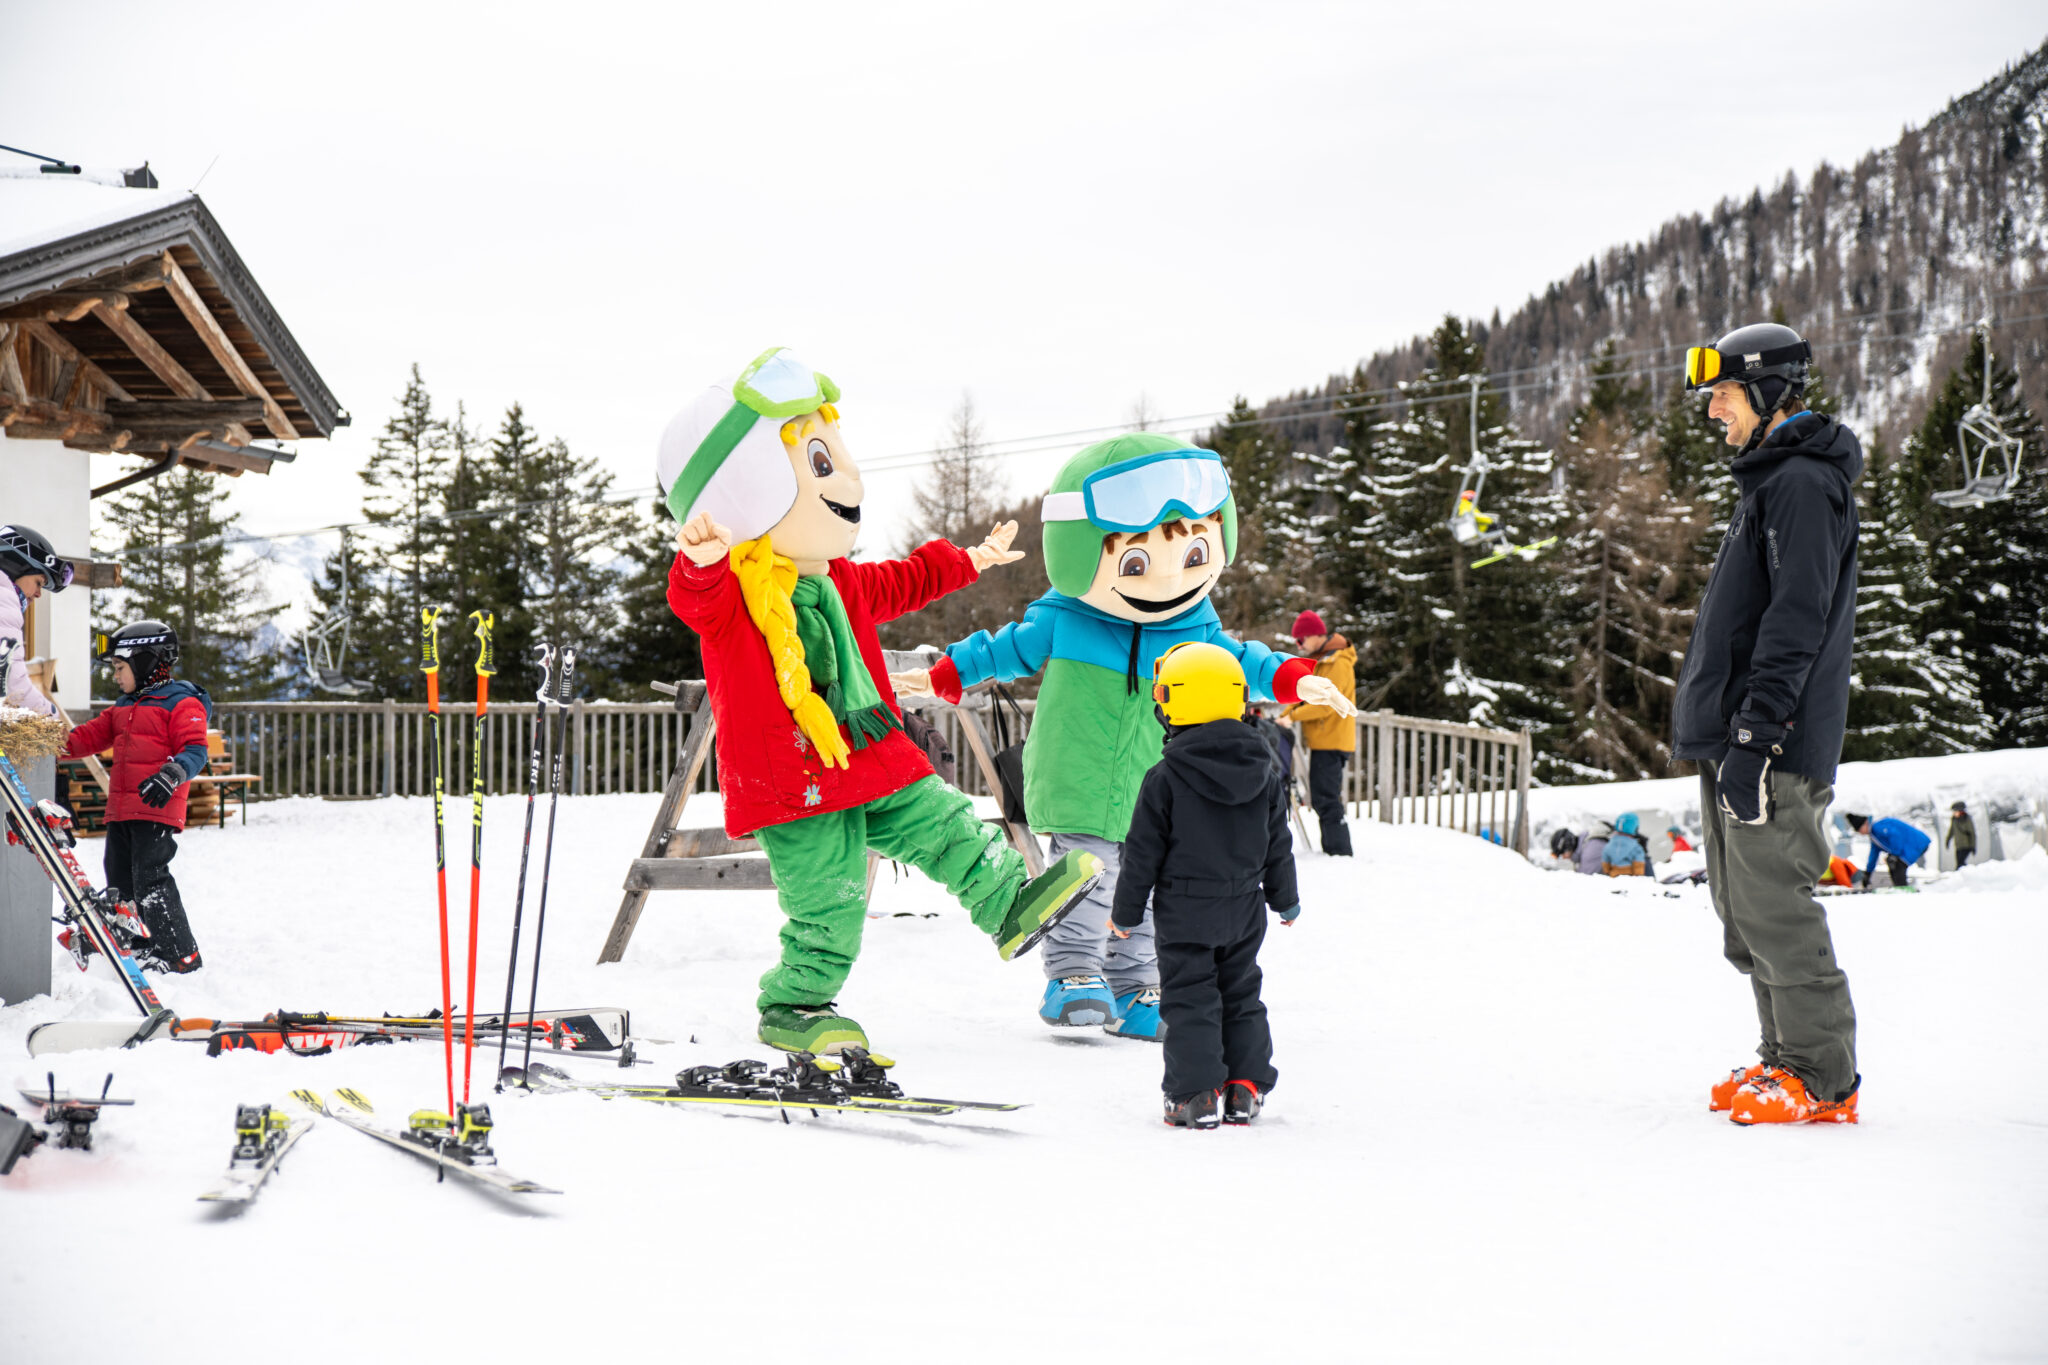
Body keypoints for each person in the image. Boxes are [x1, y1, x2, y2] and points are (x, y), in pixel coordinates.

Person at [657, 349, 1104, 1054]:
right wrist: (702, 560)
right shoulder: (738, 597)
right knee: (830, 906)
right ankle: (796, 1002)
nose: (850, 476)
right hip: (795, 782)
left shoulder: (840, 582)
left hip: (870, 756)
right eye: (821, 463)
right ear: (749, 488)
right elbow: (694, 601)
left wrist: (969, 560)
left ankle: (1009, 903)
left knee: (949, 822)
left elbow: (902, 581)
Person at [895, 434, 1349, 1042]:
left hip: (1154, 783)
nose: (1164, 579)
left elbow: (1246, 662)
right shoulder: (1067, 617)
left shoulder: (1197, 629)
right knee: (1086, 874)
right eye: (1135, 564)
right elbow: (1003, 650)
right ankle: (1074, 975)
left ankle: (1136, 985)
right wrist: (942, 674)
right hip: (1077, 772)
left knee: (1148, 882)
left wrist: (1298, 679)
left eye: (1191, 555)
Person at [1672, 321, 1863, 1126]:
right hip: (1740, 742)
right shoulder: (1771, 482)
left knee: (1776, 908)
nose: (1714, 412)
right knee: (1743, 913)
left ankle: (1822, 1077)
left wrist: (1755, 737)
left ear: (1764, 389)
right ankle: (1783, 1058)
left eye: (1720, 395)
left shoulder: (1799, 487)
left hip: (1772, 744)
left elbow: (1795, 623)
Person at [1109, 642, 1298, 1129]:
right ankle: (1245, 1088)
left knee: (1191, 996)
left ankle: (1195, 1095)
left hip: (1185, 911)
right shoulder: (1265, 772)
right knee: (1240, 992)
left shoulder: (1165, 776)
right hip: (1244, 908)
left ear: (1176, 703)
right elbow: (1278, 843)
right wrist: (1286, 898)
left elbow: (1142, 853)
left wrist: (1126, 913)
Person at [59, 621, 209, 972]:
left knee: (150, 878)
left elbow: (196, 749)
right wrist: (42, 743)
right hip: (123, 809)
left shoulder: (182, 702)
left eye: (120, 668)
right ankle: (141, 941)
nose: (116, 676)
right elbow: (84, 738)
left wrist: (172, 774)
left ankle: (180, 954)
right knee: (119, 878)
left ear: (144, 662)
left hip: (156, 807)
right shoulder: (124, 706)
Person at [1277, 611, 1358, 857]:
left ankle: (1339, 852)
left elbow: (1325, 704)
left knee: (1326, 797)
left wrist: (1292, 717)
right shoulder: (1322, 659)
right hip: (1323, 740)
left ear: (1314, 635)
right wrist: (1288, 710)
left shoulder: (1338, 662)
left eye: (1300, 640)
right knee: (1323, 794)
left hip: (1332, 740)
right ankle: (1334, 849)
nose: (1299, 646)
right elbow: (1305, 695)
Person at [0, 525, 68, 718]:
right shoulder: (4, 598)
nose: (38, 594)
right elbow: (11, 683)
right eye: (39, 582)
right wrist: (51, 716)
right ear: (15, 566)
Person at [1842, 813, 1929, 890]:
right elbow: (1873, 855)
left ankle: (1902, 888)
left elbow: (1895, 836)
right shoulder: (1874, 835)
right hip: (1912, 846)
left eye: (1859, 830)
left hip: (1917, 843)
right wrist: (1868, 874)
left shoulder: (1878, 826)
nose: (1860, 833)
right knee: (1893, 862)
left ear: (1865, 824)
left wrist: (1894, 854)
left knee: (1897, 863)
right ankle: (1900, 887)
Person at [1600, 812, 1649, 877]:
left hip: (1614, 877)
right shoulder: (1637, 848)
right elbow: (1639, 867)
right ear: (1635, 828)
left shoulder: (1608, 845)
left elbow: (1606, 866)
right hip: (1630, 879)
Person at [1944, 801, 1976, 868]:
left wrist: (1973, 846)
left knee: (1960, 863)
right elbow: (1951, 831)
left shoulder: (1967, 819)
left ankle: (1965, 875)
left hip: (1966, 845)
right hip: (1958, 846)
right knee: (1960, 863)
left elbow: (1972, 833)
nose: (1954, 813)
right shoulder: (1954, 819)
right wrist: (1947, 840)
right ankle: (1964, 874)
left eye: (1955, 811)